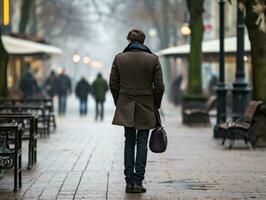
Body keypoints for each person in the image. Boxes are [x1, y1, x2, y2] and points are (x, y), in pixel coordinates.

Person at [109, 29, 165, 193]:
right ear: (143, 41)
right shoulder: (153, 59)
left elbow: (113, 84)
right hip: (146, 104)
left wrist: (119, 102)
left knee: (129, 142)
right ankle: (138, 181)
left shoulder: (119, 58)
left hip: (126, 104)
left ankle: (129, 182)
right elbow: (160, 86)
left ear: (129, 40)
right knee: (142, 143)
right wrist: (155, 104)